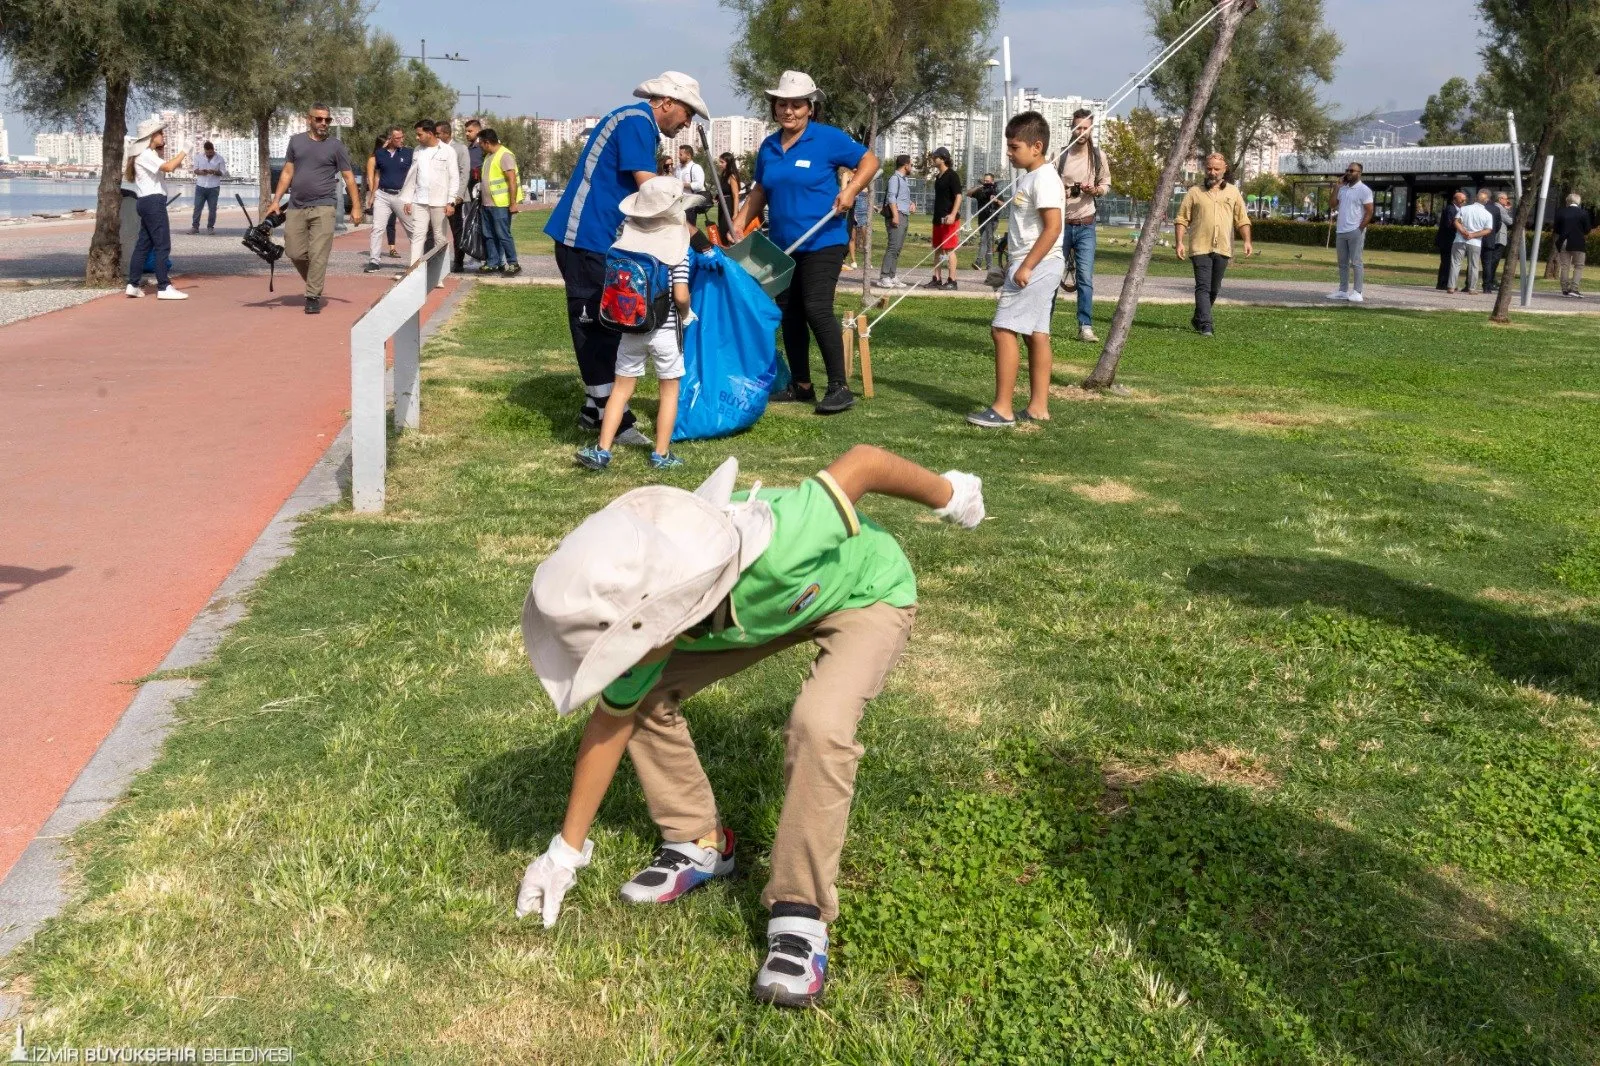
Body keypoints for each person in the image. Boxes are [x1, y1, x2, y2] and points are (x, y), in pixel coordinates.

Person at [514, 445, 986, 1009]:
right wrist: (564, 852)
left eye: (626, 646)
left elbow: (862, 464)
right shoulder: (645, 615)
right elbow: (609, 723)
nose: (624, 657)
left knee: (819, 725)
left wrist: (951, 493)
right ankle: (700, 841)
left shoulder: (782, 544)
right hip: (753, 612)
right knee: (642, 701)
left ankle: (800, 913)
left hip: (866, 592)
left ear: (664, 611)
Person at [546, 72, 709, 442]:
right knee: (597, 323)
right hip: (586, 236)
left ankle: (594, 408)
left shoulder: (639, 125)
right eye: (687, 112)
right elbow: (649, 188)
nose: (688, 122)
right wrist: (691, 230)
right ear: (667, 102)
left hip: (602, 238)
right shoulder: (637, 120)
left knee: (608, 321)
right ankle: (613, 418)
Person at [730, 70, 879, 414]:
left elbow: (870, 160)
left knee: (815, 308)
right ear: (775, 107)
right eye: (782, 104)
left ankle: (839, 387)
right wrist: (740, 220)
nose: (789, 111)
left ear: (810, 107)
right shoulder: (768, 146)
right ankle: (802, 386)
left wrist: (851, 190)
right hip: (783, 247)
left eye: (796, 105)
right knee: (789, 314)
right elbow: (761, 190)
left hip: (824, 240)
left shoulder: (827, 139)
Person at [574, 178, 698, 472]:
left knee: (620, 390)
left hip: (630, 327)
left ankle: (603, 450)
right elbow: (680, 295)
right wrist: (686, 313)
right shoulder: (677, 245)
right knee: (668, 392)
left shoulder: (624, 236)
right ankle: (661, 454)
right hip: (666, 329)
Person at [966, 112, 1064, 429]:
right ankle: (1038, 408)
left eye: (1014, 146)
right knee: (1036, 335)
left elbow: (1053, 228)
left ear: (1037, 146)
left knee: (1002, 329)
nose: (1008, 153)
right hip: (1031, 264)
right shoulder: (1030, 176)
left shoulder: (1045, 178)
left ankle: (1003, 409)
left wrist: (1027, 266)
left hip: (1038, 266)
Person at [263, 104, 362, 315]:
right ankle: (314, 282)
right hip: (296, 206)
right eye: (319, 119)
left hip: (324, 206)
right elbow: (288, 172)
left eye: (327, 120)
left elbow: (348, 177)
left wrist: (356, 206)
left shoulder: (336, 146)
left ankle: (312, 296)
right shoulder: (296, 141)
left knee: (318, 254)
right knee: (294, 252)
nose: (323, 123)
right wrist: (275, 200)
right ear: (309, 119)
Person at [1174, 153, 1252, 337]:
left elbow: (1242, 219)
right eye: (1209, 168)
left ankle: (1198, 317)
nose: (1212, 172)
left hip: (1223, 248)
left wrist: (1247, 241)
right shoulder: (1195, 192)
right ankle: (1206, 325)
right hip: (1200, 247)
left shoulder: (1233, 192)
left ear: (1224, 170)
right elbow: (1181, 218)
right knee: (1203, 286)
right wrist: (1179, 243)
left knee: (1214, 289)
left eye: (1216, 169)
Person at [1056, 108, 1111, 341]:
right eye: (1078, 127)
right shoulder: (1060, 155)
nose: (1081, 132)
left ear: (1091, 129)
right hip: (1061, 224)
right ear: (1071, 127)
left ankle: (1085, 326)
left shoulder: (1098, 156)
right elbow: (1049, 186)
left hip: (1086, 223)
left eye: (1086, 128)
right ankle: (1042, 326)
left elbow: (1106, 184)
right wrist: (1065, 191)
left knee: (1085, 277)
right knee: (1051, 275)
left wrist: (1095, 190)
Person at [123, 125, 188, 301]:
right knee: (162, 245)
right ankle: (164, 286)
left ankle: (133, 284)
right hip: (153, 202)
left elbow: (169, 166)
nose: (162, 135)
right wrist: (184, 151)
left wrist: (179, 156)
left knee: (143, 244)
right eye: (160, 133)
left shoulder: (147, 155)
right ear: (151, 137)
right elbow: (168, 167)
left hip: (145, 201)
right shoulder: (146, 155)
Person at [400, 119, 459, 268]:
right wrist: (408, 199)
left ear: (430, 133)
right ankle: (413, 270)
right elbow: (413, 176)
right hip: (419, 200)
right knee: (418, 236)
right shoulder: (418, 151)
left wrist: (451, 201)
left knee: (439, 237)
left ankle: (438, 274)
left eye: (419, 134)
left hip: (440, 201)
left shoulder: (447, 151)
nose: (417, 137)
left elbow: (454, 177)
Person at [476, 128, 522, 277]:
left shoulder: (505, 155)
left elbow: (512, 180)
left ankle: (513, 263)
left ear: (487, 142)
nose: (479, 146)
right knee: (488, 235)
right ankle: (492, 263)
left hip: (500, 204)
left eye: (481, 143)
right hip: (487, 204)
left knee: (503, 234)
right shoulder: (489, 156)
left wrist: (513, 203)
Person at [365, 127, 412, 271]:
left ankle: (418, 259)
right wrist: (372, 195)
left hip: (402, 195)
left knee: (412, 229)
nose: (401, 140)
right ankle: (374, 261)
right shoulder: (380, 154)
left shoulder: (409, 153)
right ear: (390, 139)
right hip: (383, 195)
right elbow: (378, 176)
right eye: (397, 138)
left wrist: (411, 197)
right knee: (377, 228)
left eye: (402, 137)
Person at [1326, 161, 1374, 303]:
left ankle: (1358, 292)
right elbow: (1332, 205)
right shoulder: (1343, 189)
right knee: (1342, 263)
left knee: (1356, 262)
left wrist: (1360, 228)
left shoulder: (1364, 190)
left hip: (1355, 230)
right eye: (1347, 170)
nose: (1348, 172)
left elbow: (1369, 211)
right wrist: (1336, 187)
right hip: (1341, 230)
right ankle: (1342, 290)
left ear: (1359, 173)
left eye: (1352, 170)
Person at [925, 147, 962, 290]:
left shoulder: (952, 175)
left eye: (936, 157)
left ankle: (952, 280)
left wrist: (953, 214)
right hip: (938, 218)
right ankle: (937, 278)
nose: (933, 159)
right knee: (938, 249)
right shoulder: (938, 176)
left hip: (949, 218)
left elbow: (958, 196)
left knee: (949, 249)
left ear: (943, 158)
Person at [438, 120, 472, 272]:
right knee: (437, 230)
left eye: (438, 133)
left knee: (457, 231)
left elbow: (465, 173)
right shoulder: (435, 149)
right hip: (438, 197)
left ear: (446, 133)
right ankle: (437, 262)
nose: (436, 136)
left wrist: (458, 195)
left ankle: (458, 262)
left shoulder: (460, 148)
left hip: (456, 199)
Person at [877, 154, 913, 288]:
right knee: (892, 247)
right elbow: (891, 198)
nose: (911, 167)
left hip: (904, 214)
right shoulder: (894, 179)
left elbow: (901, 197)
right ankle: (884, 276)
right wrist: (895, 215)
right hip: (897, 215)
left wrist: (910, 203)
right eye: (911, 165)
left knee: (897, 248)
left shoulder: (903, 180)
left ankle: (892, 275)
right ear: (905, 165)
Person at [1448, 189, 1493, 294]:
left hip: (1459, 239)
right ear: (1486, 201)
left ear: (1475, 198)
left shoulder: (1464, 209)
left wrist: (1463, 231)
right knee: (1474, 265)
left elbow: (1456, 221)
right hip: (1475, 242)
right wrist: (1473, 235)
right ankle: (1472, 288)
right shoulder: (1487, 214)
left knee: (1455, 263)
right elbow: (1488, 230)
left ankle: (1451, 286)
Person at [1553, 192, 1588, 298]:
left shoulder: (1561, 212)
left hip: (1564, 241)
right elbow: (1587, 229)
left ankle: (1564, 289)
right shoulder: (1583, 213)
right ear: (1578, 201)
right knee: (1578, 266)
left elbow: (1556, 229)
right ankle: (1574, 289)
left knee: (1564, 266)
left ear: (1568, 201)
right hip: (1578, 242)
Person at [189, 141, 226, 235]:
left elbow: (223, 172)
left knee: (212, 209)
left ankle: (210, 227)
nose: (209, 154)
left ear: (213, 150)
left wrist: (214, 172)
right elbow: (195, 170)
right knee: (197, 207)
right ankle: (195, 227)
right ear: (204, 150)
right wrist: (202, 172)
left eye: (211, 152)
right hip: (200, 186)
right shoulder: (198, 157)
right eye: (207, 152)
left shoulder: (220, 159)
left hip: (214, 187)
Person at [967, 173, 1001, 272]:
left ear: (992, 181)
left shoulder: (996, 191)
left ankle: (978, 261)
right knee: (988, 242)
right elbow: (968, 193)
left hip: (992, 220)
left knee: (984, 240)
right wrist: (978, 186)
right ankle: (989, 265)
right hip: (982, 219)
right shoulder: (980, 191)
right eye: (985, 181)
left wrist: (996, 200)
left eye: (988, 181)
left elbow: (1004, 204)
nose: (986, 183)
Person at [1483, 191, 1513, 292]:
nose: (1507, 200)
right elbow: (1509, 221)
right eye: (1505, 198)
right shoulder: (1499, 208)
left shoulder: (1497, 207)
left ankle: (1490, 281)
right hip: (1499, 238)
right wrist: (1508, 211)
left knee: (1492, 261)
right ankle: (1489, 282)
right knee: (1494, 261)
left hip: (1495, 237)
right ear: (1500, 199)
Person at [1435, 191, 1463, 291]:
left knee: (1449, 262)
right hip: (1447, 240)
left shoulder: (1457, 209)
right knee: (1446, 262)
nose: (1464, 201)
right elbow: (1449, 224)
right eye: (1462, 199)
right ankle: (1443, 283)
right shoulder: (1450, 209)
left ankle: (1446, 282)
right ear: (1455, 199)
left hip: (1450, 240)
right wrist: (1460, 228)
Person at [674, 144, 706, 227]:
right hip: (678, 203)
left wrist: (681, 184)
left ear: (688, 156)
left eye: (681, 154)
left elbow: (699, 185)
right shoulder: (678, 168)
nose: (678, 156)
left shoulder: (696, 167)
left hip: (690, 204)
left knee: (689, 229)